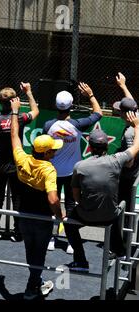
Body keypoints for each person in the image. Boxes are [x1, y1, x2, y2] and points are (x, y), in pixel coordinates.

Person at [65, 113, 139, 272]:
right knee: (118, 210)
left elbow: (76, 195)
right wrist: (137, 126)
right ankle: (119, 250)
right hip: (110, 217)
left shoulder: (80, 166)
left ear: (90, 147)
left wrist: (83, 204)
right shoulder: (116, 160)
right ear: (107, 146)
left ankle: (81, 261)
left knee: (69, 225)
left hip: (86, 215)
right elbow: (135, 147)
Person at [10, 97, 64, 300]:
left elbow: (14, 135)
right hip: (41, 219)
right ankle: (31, 288)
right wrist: (59, 216)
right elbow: (52, 199)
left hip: (23, 215)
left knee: (30, 250)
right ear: (47, 152)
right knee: (39, 253)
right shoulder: (49, 170)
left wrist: (15, 111)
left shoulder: (22, 158)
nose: (56, 150)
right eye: (54, 149)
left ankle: (36, 281)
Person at [43, 83, 102, 253]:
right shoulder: (78, 124)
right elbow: (98, 113)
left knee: (52, 205)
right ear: (71, 106)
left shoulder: (48, 126)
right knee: (71, 206)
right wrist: (90, 95)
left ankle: (52, 239)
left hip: (52, 173)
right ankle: (70, 241)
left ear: (56, 106)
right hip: (72, 174)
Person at [0, 82, 39, 241]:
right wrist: (28, 92)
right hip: (17, 166)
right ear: (14, 101)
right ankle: (18, 232)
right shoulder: (21, 118)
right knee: (18, 199)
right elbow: (35, 110)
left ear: (0, 102)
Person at [113, 72, 138, 212]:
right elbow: (131, 101)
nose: (118, 112)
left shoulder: (130, 133)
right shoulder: (136, 116)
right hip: (135, 173)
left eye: (120, 110)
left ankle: (119, 233)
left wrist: (116, 160)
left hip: (127, 176)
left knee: (123, 208)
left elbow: (130, 162)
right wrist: (123, 85)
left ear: (126, 114)